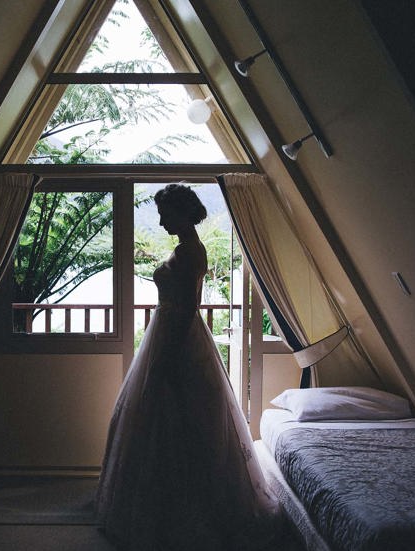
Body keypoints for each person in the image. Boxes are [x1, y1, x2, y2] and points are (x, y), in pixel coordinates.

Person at [96, 184, 283, 550]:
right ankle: (159, 506)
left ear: (181, 213)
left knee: (181, 420)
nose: (162, 220)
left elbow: (189, 308)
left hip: (178, 337)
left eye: (165, 213)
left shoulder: (191, 251)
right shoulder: (185, 249)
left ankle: (181, 514)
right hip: (166, 330)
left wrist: (169, 356)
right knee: (160, 421)